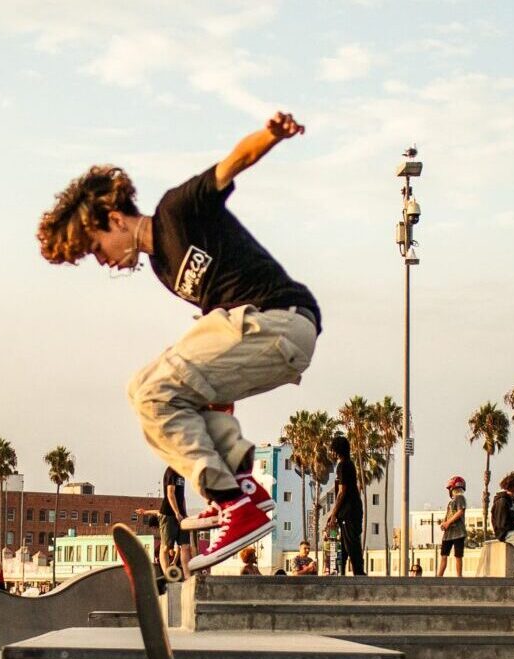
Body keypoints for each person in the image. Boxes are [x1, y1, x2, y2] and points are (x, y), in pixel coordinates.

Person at [37, 111, 320, 572]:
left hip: (280, 319)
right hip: (258, 335)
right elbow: (213, 372)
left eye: (96, 248)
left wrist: (272, 134)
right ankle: (244, 486)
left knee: (152, 390)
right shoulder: (164, 270)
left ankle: (231, 501)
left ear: (115, 219)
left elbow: (235, 162)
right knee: (163, 390)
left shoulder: (177, 212)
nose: (102, 262)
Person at [323, 433, 365, 576]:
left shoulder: (343, 465)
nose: (332, 453)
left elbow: (342, 491)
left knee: (351, 544)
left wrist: (334, 513)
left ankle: (359, 573)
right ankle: (341, 573)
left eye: (333, 450)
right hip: (353, 509)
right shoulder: (350, 464)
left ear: (337, 450)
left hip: (348, 511)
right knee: (345, 545)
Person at [434, 476, 468, 577]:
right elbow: (448, 514)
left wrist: (448, 523)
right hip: (448, 533)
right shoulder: (451, 502)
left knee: (458, 555)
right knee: (443, 555)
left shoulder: (460, 498)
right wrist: (444, 523)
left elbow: (460, 511)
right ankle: (439, 576)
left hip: (458, 532)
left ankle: (459, 576)